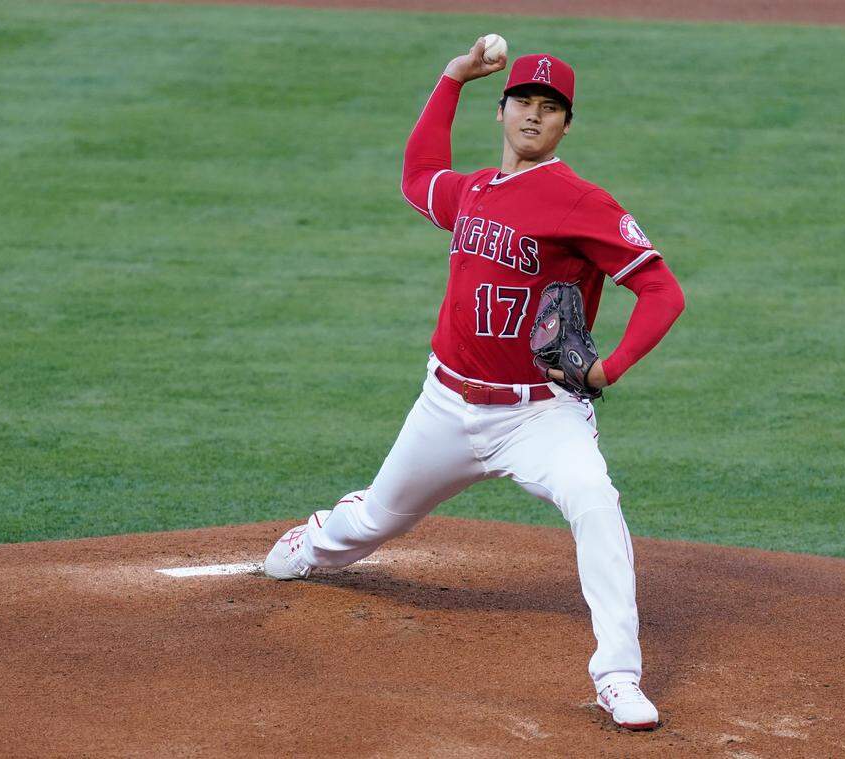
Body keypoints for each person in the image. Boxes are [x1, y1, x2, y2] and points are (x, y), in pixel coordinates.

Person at [264, 37, 685, 731]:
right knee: (372, 521)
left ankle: (617, 675)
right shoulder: (474, 192)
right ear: (503, 110)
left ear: (565, 125)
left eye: (551, 108)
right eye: (523, 100)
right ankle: (314, 540)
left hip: (540, 415)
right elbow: (417, 173)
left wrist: (610, 369)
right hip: (448, 404)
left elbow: (662, 292)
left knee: (595, 500)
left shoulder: (581, 202)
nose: (534, 115)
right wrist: (453, 75)